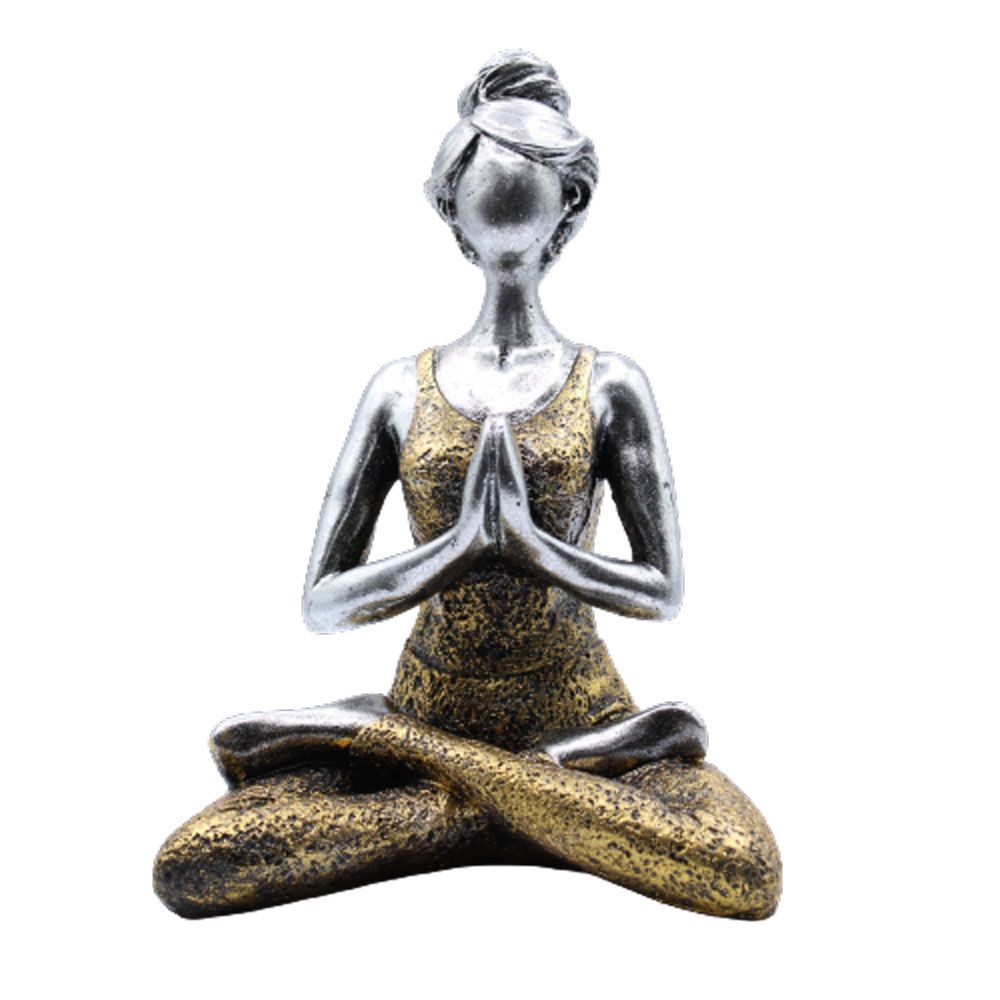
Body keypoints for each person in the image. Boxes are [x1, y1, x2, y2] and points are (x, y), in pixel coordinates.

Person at [153, 51, 781, 920]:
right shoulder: (399, 389)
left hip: (585, 718)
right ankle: (521, 798)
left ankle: (413, 762)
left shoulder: (609, 385)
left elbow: (662, 590)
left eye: (530, 166)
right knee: (197, 862)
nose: (506, 185)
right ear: (451, 203)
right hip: (455, 710)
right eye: (487, 167)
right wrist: (455, 551)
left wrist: (532, 550)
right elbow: (324, 602)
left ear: (571, 201)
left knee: (741, 865)